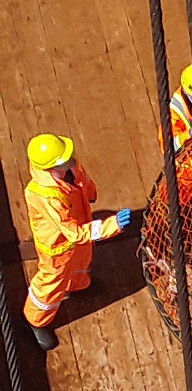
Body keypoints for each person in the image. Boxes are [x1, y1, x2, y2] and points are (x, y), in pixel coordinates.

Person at [23, 134, 131, 351]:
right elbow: (73, 233)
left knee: (81, 265)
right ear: (51, 167)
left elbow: (84, 185)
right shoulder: (47, 196)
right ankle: (36, 320)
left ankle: (78, 286)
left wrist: (90, 193)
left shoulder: (69, 168)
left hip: (80, 237)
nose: (71, 159)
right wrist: (112, 225)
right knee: (51, 284)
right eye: (65, 159)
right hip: (58, 249)